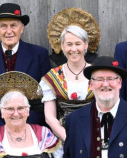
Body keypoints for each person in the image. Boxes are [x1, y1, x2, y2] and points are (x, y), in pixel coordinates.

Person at [0, 3, 51, 126]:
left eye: (13, 26)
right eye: (3, 26)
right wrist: (0, 126)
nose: (9, 31)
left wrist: (24, 124)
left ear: (22, 28)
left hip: (32, 124)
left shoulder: (39, 54)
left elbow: (46, 97)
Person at [41, 11, 99, 141]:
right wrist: (68, 139)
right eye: (69, 44)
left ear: (86, 45)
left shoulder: (97, 73)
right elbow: (49, 117)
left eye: (78, 44)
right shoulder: (53, 76)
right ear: (62, 46)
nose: (74, 49)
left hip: (94, 135)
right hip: (63, 136)